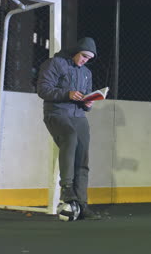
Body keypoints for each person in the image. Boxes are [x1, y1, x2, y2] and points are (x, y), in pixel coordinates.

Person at [37, 37, 101, 220]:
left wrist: (89, 103)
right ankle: (66, 189)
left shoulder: (87, 72)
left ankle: (82, 205)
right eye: (83, 56)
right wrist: (67, 94)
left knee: (83, 158)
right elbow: (43, 89)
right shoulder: (55, 64)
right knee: (70, 137)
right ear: (76, 51)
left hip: (79, 116)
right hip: (56, 113)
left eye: (89, 58)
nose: (85, 60)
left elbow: (86, 97)